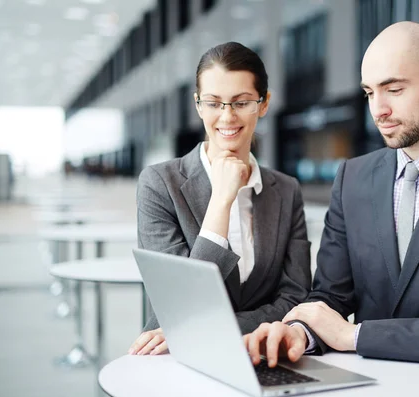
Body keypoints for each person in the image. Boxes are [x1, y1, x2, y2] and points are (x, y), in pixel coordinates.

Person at [244, 21, 419, 368]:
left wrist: (355, 336)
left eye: (393, 90)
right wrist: (299, 332)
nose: (377, 110)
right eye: (369, 92)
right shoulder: (352, 178)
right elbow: (329, 298)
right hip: (362, 386)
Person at [128, 42, 312, 356]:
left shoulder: (286, 190)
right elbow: (180, 305)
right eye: (214, 103)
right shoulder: (159, 184)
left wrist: (215, 328)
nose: (226, 117)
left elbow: (295, 299)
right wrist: (221, 201)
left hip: (260, 357)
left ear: (263, 104)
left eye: (241, 102)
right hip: (176, 357)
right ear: (198, 105)